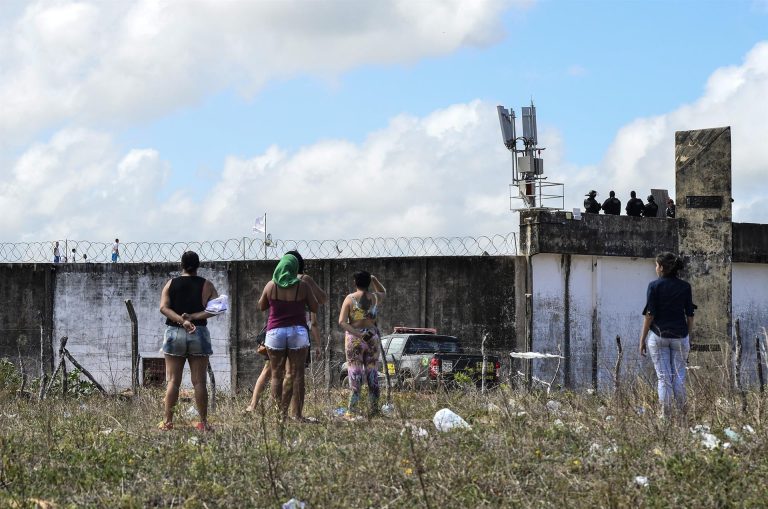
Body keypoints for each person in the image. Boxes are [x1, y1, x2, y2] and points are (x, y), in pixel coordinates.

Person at [246, 250, 326, 415]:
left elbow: (261, 306)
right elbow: (315, 307)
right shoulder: (302, 285)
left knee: (276, 375)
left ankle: (277, 416)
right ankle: (294, 414)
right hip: (298, 332)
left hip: (275, 332)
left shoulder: (271, 285)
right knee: (296, 375)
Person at [158, 251, 219, 431]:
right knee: (199, 382)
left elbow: (163, 308)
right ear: (198, 265)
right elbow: (216, 308)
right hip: (198, 332)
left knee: (173, 381)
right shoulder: (207, 285)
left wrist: (182, 320)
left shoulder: (171, 283)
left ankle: (168, 422)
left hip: (175, 331)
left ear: (181, 265)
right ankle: (203, 423)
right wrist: (193, 317)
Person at [639, 252, 695, 419]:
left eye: (656, 265)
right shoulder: (685, 287)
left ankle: (665, 419)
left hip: (658, 336)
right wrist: (688, 338)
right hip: (680, 337)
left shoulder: (654, 286)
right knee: (678, 378)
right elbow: (690, 316)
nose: (656, 268)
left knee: (664, 379)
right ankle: (683, 417)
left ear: (662, 268)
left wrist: (642, 340)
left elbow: (649, 315)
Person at [338, 271, 386, 417]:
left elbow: (342, 322)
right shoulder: (375, 298)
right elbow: (383, 291)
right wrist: (375, 279)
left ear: (355, 282)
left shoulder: (350, 298)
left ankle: (352, 410)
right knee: (372, 373)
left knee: (355, 373)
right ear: (368, 283)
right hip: (372, 337)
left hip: (355, 338)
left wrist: (357, 333)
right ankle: (374, 410)